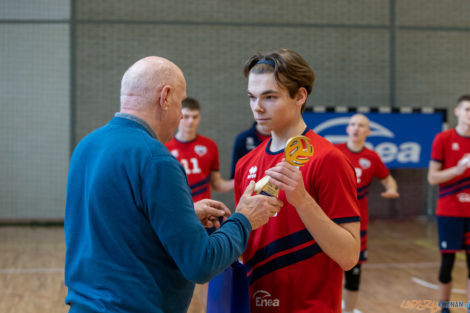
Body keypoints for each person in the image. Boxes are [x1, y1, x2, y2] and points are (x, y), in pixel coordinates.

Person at [64, 56, 283, 313]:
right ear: (165, 96)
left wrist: (185, 215)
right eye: (180, 104)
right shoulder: (156, 158)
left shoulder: (86, 146)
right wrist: (244, 219)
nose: (180, 115)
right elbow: (201, 263)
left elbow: (120, 224)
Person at [234, 49, 361, 313]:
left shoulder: (328, 160)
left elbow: (349, 256)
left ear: (300, 96)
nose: (257, 107)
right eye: (252, 97)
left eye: (269, 97)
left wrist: (303, 201)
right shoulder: (245, 165)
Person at [335, 113, 399, 313]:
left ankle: (348, 310)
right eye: (352, 124)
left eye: (361, 125)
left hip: (358, 225)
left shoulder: (372, 157)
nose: (356, 128)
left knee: (354, 274)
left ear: (368, 132)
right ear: (347, 129)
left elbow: (387, 178)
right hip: (332, 222)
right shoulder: (335, 152)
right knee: (329, 273)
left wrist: (391, 188)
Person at [428, 95, 470, 313]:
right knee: (448, 265)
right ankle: (445, 309)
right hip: (450, 211)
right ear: (457, 111)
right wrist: (458, 170)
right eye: (467, 109)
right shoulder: (443, 139)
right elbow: (432, 178)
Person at [166, 97, 234, 202]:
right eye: (186, 116)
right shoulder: (165, 147)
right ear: (178, 117)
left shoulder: (210, 145)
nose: (190, 121)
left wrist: (243, 179)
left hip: (204, 212)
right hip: (177, 210)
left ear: (199, 118)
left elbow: (217, 184)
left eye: (195, 117)